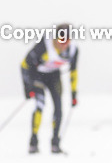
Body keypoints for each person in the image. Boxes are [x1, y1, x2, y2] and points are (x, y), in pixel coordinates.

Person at [21, 24, 78, 154]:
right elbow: (24, 64)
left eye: (67, 41)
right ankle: (33, 142)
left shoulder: (73, 50)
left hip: (54, 77)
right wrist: (27, 87)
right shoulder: (43, 45)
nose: (63, 44)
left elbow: (73, 72)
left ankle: (55, 143)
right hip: (37, 76)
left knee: (58, 108)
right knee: (40, 105)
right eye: (61, 40)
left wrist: (74, 94)